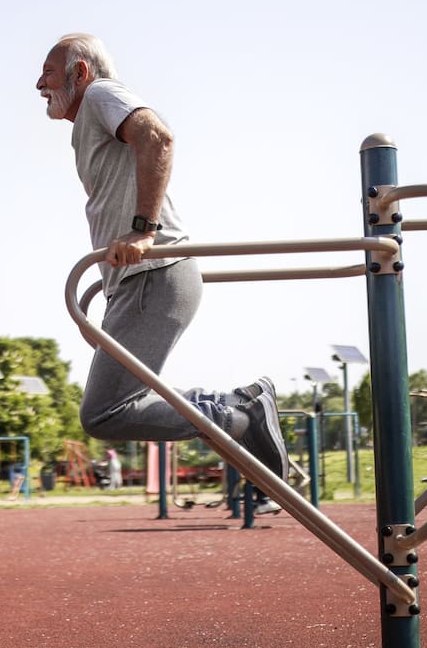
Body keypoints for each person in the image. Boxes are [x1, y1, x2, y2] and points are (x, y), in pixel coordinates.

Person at [36, 33, 288, 481]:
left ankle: (240, 413)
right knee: (113, 408)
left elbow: (158, 136)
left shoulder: (99, 93)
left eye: (49, 72)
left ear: (80, 72)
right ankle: (238, 410)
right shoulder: (89, 121)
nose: (39, 84)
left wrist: (143, 230)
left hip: (157, 272)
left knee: (105, 413)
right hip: (139, 281)